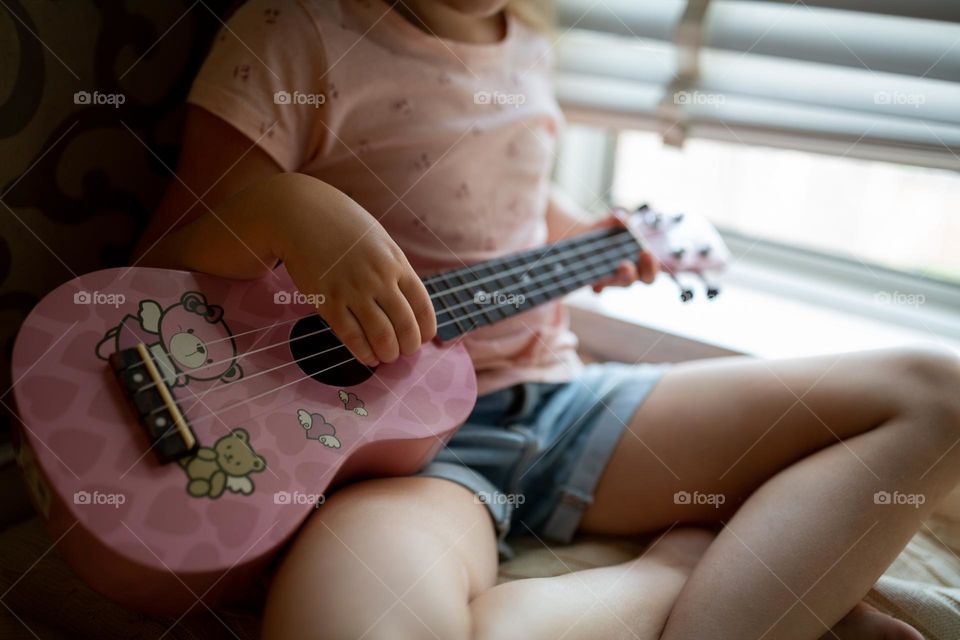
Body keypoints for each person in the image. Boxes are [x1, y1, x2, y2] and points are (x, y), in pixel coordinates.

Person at [137, 1, 960, 637]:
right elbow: (154, 278)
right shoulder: (293, 30)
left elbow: (507, 209)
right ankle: (673, 573)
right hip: (390, 460)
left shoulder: (527, 42)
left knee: (938, 393)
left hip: (561, 402)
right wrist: (287, 208)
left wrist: (598, 242)